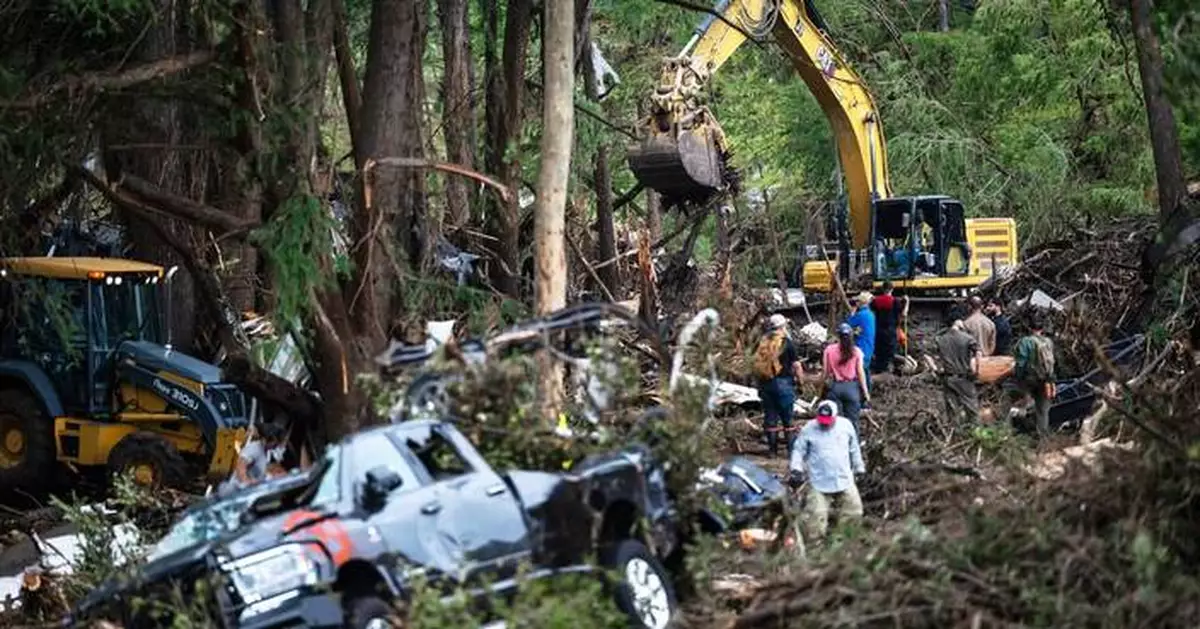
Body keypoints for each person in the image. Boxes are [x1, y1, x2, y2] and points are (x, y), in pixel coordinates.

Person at [790, 399, 865, 541]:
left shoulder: (846, 426)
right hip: (819, 480)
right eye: (822, 420)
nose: (825, 423)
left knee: (854, 510)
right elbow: (798, 450)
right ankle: (815, 545)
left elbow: (854, 449)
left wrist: (859, 468)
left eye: (828, 420)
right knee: (816, 517)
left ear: (835, 416)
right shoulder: (809, 429)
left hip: (844, 478)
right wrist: (796, 469)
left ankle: (844, 542)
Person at [752, 313, 804, 457]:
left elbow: (755, 364)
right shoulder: (787, 342)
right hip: (784, 384)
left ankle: (772, 451)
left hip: (765, 384)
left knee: (770, 419)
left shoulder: (762, 342)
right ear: (782, 326)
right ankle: (791, 451)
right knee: (788, 420)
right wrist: (800, 383)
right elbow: (797, 365)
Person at [822, 322, 870, 433]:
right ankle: (853, 442)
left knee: (835, 422)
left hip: (835, 387)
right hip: (851, 388)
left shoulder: (829, 350)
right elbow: (860, 373)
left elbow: (826, 372)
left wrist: (820, 389)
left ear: (838, 336)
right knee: (853, 421)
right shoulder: (856, 351)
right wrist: (865, 392)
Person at [1014, 316, 1057, 436]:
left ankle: (1023, 431)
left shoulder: (1025, 341)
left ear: (1030, 328)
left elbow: (1021, 363)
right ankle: (1042, 435)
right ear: (1042, 329)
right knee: (1043, 409)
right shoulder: (1048, 342)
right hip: (1047, 379)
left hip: (1030, 380)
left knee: (1023, 403)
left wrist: (1018, 377)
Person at [935, 320, 981, 424]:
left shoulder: (941, 339)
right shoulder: (967, 338)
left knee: (952, 410)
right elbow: (978, 352)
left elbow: (933, 357)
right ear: (959, 325)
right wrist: (977, 370)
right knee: (972, 408)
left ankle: (953, 431)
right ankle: (975, 430)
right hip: (963, 377)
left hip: (948, 379)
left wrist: (937, 370)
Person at [870, 281, 908, 374]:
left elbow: (871, 308)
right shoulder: (895, 301)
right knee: (890, 352)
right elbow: (904, 314)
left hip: (878, 330)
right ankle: (889, 371)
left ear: (882, 289)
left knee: (879, 352)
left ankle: (879, 370)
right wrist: (907, 302)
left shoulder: (876, 301)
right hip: (891, 331)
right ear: (892, 289)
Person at [846, 291, 876, 393]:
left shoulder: (861, 314)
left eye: (858, 301)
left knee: (859, 372)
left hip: (862, 347)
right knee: (866, 371)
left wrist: (852, 312)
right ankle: (868, 392)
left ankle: (861, 394)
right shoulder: (870, 314)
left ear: (861, 303)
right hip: (869, 346)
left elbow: (848, 324)